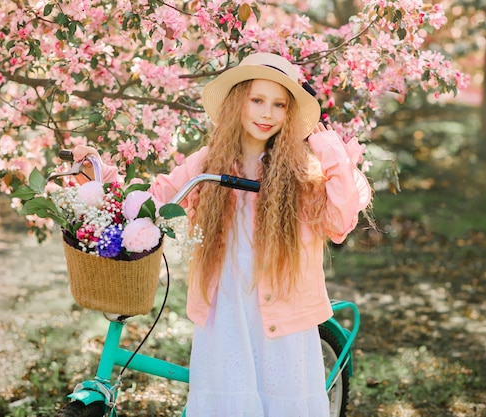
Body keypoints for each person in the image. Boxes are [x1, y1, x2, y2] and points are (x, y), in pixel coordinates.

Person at [73, 52, 371, 417]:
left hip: (281, 306)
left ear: (289, 113)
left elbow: (339, 225)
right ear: (237, 101)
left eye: (278, 105)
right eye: (257, 100)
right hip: (224, 306)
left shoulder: (302, 169)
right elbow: (153, 199)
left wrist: (328, 151)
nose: (266, 113)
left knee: (283, 400)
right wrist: (101, 179)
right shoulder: (208, 162)